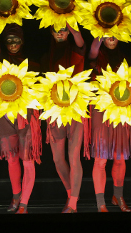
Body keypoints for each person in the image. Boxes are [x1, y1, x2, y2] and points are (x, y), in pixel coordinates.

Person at [0, 24, 41, 214]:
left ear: (23, 41)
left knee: (27, 160)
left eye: (16, 40)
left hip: (26, 116)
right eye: (9, 40)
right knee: (11, 158)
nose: (12, 44)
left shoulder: (32, 65)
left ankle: (24, 204)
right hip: (4, 115)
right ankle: (16, 196)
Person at [40, 23, 86, 213]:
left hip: (75, 109)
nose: (60, 32)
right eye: (56, 29)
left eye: (63, 29)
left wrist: (66, 18)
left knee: (73, 156)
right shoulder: (46, 58)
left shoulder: (76, 51)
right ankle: (70, 195)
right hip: (54, 110)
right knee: (58, 159)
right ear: (51, 32)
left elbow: (80, 40)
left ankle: (73, 204)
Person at [88, 36, 131, 212]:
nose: (112, 38)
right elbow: (93, 50)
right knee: (101, 158)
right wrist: (102, 29)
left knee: (120, 156)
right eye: (108, 35)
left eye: (115, 34)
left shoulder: (125, 59)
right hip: (100, 109)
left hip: (121, 109)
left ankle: (118, 196)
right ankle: (101, 203)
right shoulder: (95, 57)